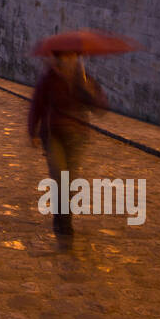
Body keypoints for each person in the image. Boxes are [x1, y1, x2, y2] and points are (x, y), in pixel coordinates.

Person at [27, 51, 108, 237]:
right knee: (59, 177)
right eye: (64, 57)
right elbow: (36, 105)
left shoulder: (83, 79)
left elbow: (99, 106)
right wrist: (33, 131)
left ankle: (65, 220)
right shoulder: (48, 79)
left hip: (77, 135)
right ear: (58, 59)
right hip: (53, 135)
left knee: (70, 181)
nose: (69, 60)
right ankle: (61, 221)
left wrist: (89, 90)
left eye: (72, 57)